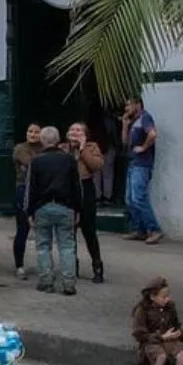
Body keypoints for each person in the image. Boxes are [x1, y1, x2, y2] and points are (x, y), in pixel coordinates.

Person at [25, 126, 82, 296]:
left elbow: (31, 188)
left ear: (42, 140)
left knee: (43, 245)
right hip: (65, 207)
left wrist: (29, 211)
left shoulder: (36, 161)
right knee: (67, 246)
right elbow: (76, 187)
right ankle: (69, 283)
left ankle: (46, 281)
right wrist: (78, 209)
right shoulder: (69, 160)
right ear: (58, 140)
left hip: (42, 207)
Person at [133, 277, 183, 365]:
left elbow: (176, 325)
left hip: (169, 340)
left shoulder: (170, 307)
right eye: (163, 297)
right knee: (161, 355)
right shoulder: (142, 310)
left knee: (181, 354)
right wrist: (162, 337)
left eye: (168, 296)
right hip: (151, 342)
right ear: (152, 297)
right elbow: (139, 334)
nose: (167, 299)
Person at [66, 121, 107, 284]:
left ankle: (97, 266)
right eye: (72, 130)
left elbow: (96, 166)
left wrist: (82, 148)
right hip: (68, 189)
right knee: (69, 231)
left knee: (89, 231)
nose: (75, 132)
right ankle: (71, 266)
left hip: (85, 187)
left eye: (79, 130)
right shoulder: (63, 148)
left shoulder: (91, 147)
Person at [122, 97, 163, 244]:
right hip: (133, 162)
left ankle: (154, 229)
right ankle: (139, 229)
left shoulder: (145, 118)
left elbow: (152, 134)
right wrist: (125, 125)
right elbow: (125, 142)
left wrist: (144, 148)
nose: (126, 108)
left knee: (139, 197)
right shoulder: (133, 121)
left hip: (142, 164)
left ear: (138, 105)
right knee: (129, 198)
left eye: (129, 104)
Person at [10, 122, 42, 279]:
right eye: (30, 131)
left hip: (42, 190)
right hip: (23, 189)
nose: (33, 134)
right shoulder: (20, 148)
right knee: (22, 229)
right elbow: (32, 165)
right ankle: (19, 265)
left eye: (36, 132)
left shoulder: (45, 148)